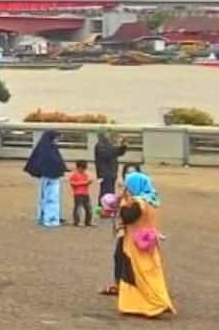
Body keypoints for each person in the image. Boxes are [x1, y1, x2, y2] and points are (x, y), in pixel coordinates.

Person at [111, 172, 174, 319]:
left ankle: (155, 303)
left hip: (136, 244)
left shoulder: (138, 203)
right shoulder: (151, 200)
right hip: (148, 242)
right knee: (150, 272)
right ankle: (139, 303)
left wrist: (123, 201)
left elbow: (127, 217)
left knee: (139, 274)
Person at [23, 131, 68, 228]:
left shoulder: (48, 148)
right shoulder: (48, 150)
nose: (57, 140)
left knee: (47, 198)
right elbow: (52, 161)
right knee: (51, 198)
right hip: (49, 177)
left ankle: (46, 217)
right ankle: (50, 219)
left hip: (49, 177)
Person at [94, 130, 128, 199]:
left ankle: (108, 207)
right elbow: (108, 154)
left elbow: (118, 152)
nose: (109, 135)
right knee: (106, 193)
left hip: (111, 173)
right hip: (105, 173)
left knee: (110, 192)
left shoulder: (109, 145)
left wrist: (123, 145)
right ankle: (102, 208)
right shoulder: (100, 145)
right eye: (107, 134)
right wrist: (118, 144)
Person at [70, 161, 96, 227]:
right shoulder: (74, 175)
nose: (83, 170)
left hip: (85, 193)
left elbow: (86, 183)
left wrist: (88, 182)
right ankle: (77, 221)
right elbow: (72, 183)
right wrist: (84, 182)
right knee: (78, 208)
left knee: (88, 208)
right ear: (78, 168)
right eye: (82, 168)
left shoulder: (85, 175)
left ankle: (88, 221)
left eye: (84, 169)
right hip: (78, 194)